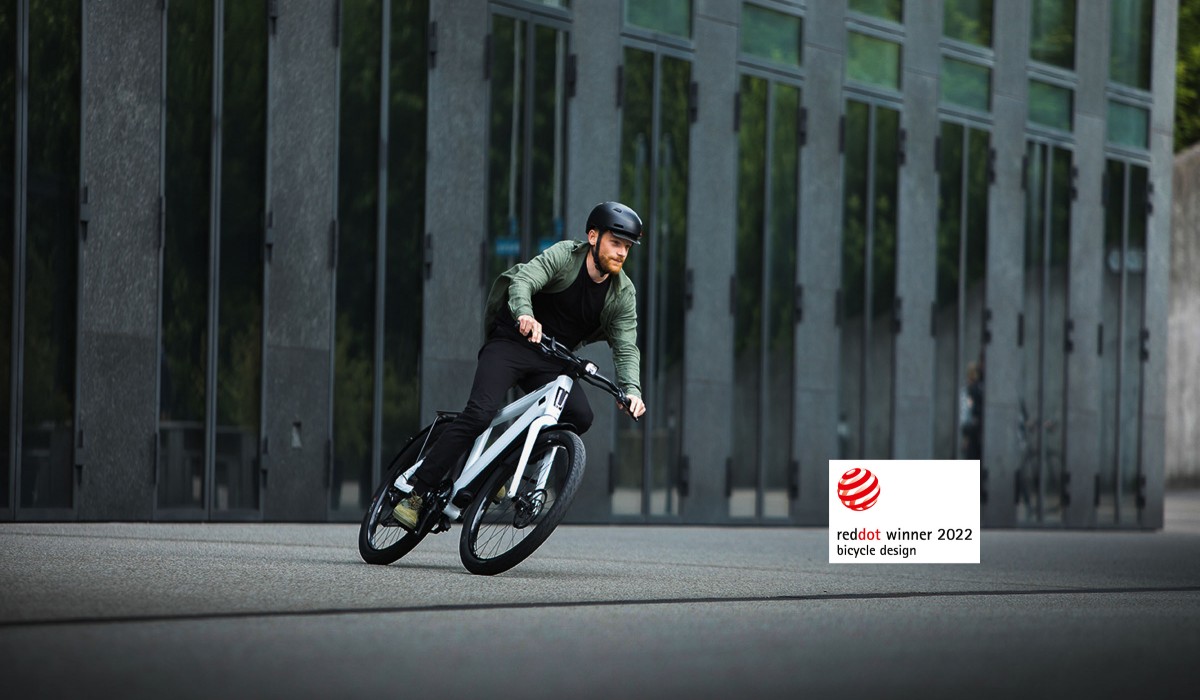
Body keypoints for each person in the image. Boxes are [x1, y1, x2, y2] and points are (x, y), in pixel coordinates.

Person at [392, 201, 649, 530]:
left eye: (627, 246)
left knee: (578, 416)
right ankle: (415, 492)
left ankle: (495, 470)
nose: (621, 252)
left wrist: (631, 390)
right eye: (616, 242)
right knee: (480, 414)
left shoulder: (622, 293)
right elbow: (525, 279)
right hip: (512, 342)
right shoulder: (564, 255)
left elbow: (627, 346)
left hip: (554, 358)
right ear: (593, 236)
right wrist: (525, 314)